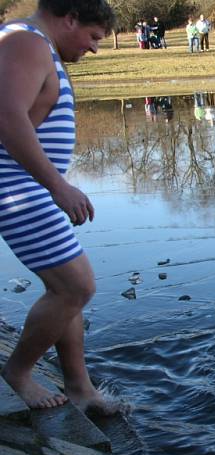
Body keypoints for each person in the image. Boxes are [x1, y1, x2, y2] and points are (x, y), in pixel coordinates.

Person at [0, 0, 121, 413]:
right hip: (13, 183)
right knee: (76, 285)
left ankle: (80, 389)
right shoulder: (26, 42)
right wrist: (57, 185)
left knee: (64, 290)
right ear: (69, 18)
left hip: (25, 182)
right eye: (93, 37)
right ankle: (18, 372)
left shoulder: (33, 44)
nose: (94, 49)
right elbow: (6, 116)